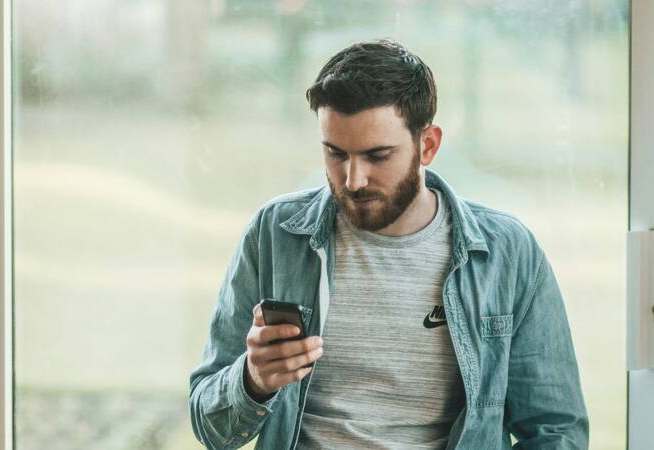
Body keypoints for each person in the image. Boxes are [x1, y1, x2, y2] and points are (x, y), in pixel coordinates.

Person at [188, 38, 589, 450]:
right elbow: (210, 426)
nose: (353, 180)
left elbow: (556, 431)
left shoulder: (508, 252)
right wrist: (253, 380)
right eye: (335, 153)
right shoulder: (275, 234)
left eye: (377, 156)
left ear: (427, 145)